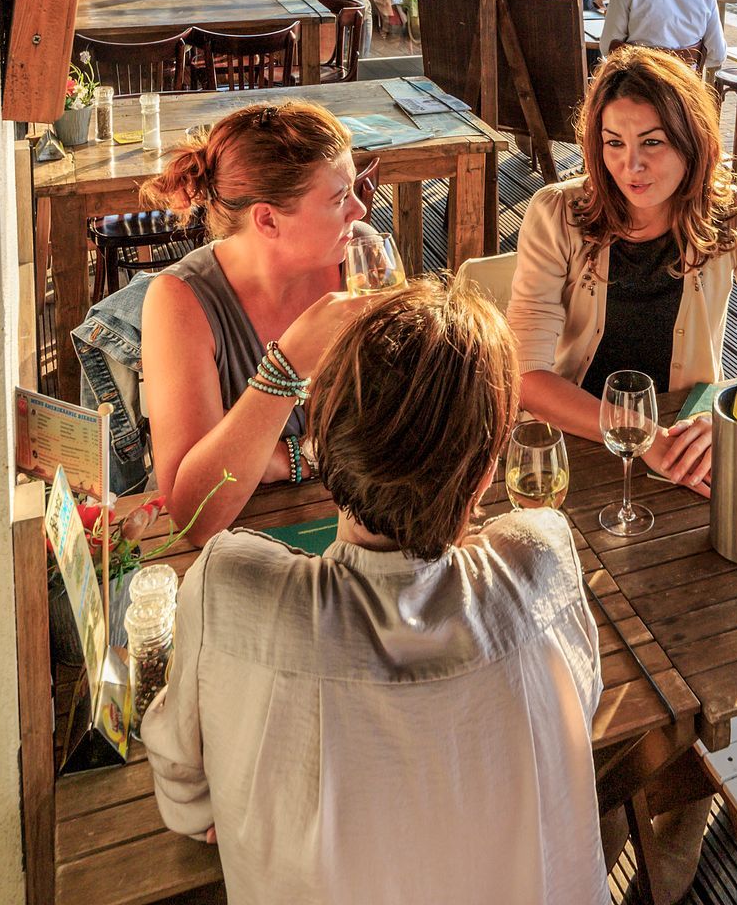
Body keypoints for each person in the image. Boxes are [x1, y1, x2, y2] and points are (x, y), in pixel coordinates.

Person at [141, 279, 610, 904]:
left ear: (323, 436)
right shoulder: (542, 557)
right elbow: (584, 695)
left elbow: (187, 801)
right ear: (485, 476)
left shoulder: (232, 587)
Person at [509, 47, 737, 494]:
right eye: (614, 143)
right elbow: (527, 377)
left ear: (692, 139)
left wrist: (736, 416)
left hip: (685, 445)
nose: (631, 166)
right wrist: (644, 439)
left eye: (652, 142)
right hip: (572, 438)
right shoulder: (556, 213)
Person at [140, 101, 382, 544]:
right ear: (267, 219)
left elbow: (399, 418)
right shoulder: (181, 302)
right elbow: (195, 516)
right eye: (338, 198)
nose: (359, 212)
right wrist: (285, 371)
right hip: (248, 549)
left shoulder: (359, 256)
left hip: (370, 527)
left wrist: (279, 459)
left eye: (353, 190)